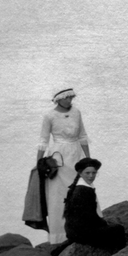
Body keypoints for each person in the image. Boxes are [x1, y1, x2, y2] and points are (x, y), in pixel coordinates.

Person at [38, 88, 91, 245]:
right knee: (58, 196)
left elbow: (82, 136)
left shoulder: (76, 112)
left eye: (71, 97)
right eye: (67, 97)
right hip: (58, 158)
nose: (70, 100)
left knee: (82, 191)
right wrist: (39, 162)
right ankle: (60, 235)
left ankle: (84, 228)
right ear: (58, 99)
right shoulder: (49, 116)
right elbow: (43, 140)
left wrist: (88, 158)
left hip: (76, 155)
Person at [63, 158, 126, 252]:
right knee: (118, 229)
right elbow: (89, 216)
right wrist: (103, 223)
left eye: (94, 173)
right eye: (87, 173)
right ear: (80, 173)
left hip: (72, 231)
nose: (91, 176)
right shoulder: (84, 190)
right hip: (81, 233)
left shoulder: (76, 187)